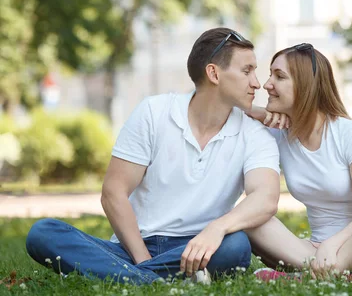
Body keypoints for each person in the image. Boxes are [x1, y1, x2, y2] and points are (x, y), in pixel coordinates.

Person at [25, 28, 281, 284]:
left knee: (236, 245)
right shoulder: (154, 113)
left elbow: (266, 199)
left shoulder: (255, 134)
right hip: (131, 246)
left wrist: (216, 229)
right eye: (246, 71)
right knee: (43, 233)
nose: (257, 83)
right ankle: (153, 279)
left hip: (200, 248)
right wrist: (143, 260)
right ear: (214, 73)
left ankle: (131, 279)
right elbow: (113, 192)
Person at [246, 43, 352, 279]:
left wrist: (333, 245)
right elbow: (224, 113)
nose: (267, 84)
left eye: (279, 77)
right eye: (270, 75)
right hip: (315, 253)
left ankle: (321, 276)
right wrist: (258, 112)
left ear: (305, 85)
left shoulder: (349, 134)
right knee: (249, 217)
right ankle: (333, 275)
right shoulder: (277, 136)